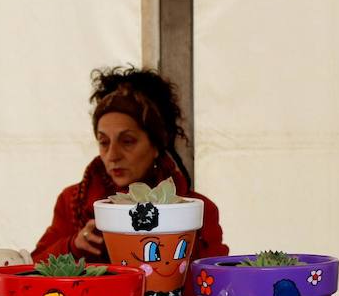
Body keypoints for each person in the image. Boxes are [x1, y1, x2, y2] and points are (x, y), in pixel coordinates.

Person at [34, 67, 227, 263]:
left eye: (127, 141)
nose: (112, 155)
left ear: (156, 145)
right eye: (103, 142)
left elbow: (215, 281)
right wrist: (73, 246)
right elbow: (27, 271)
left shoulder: (197, 209)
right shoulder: (72, 203)